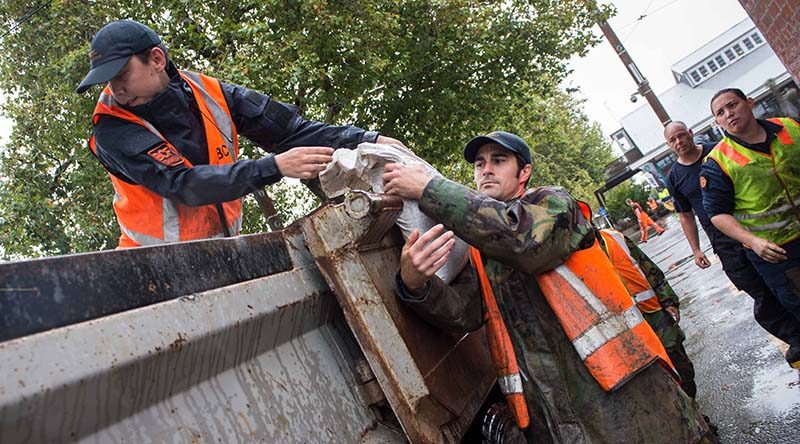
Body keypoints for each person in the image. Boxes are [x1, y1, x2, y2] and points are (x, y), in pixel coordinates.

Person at [381, 131, 713, 443]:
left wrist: (430, 189)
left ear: (524, 172)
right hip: (558, 412)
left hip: (626, 390)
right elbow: (463, 314)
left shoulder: (554, 204)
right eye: (479, 164)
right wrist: (415, 283)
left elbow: (525, 243)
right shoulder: (481, 252)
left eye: (498, 160)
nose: (486, 170)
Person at [76, 20, 402, 247]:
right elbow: (183, 184)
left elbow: (289, 131)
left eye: (122, 74)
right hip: (153, 267)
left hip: (223, 251)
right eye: (107, 80)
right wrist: (274, 168)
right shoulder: (112, 130)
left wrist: (366, 139)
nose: (116, 88)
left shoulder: (210, 93)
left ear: (157, 59)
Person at [665, 120, 800, 368]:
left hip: (752, 232)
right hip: (725, 245)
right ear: (668, 145)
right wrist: (696, 249)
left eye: (681, 136)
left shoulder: (720, 153)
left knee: (785, 285)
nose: (679, 142)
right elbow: (685, 215)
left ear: (691, 133)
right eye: (672, 140)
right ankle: (794, 337)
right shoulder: (674, 177)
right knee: (759, 293)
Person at [700, 88, 800, 368]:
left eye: (732, 105)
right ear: (717, 123)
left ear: (749, 103)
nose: (728, 113)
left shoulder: (790, 128)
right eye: (720, 112)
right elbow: (717, 215)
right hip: (778, 252)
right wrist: (752, 241)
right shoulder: (718, 163)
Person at [596, 226, 697, 398]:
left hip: (653, 314)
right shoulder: (574, 258)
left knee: (680, 364)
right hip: (623, 328)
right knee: (653, 377)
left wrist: (668, 299)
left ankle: (695, 409)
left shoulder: (614, 237)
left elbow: (647, 266)